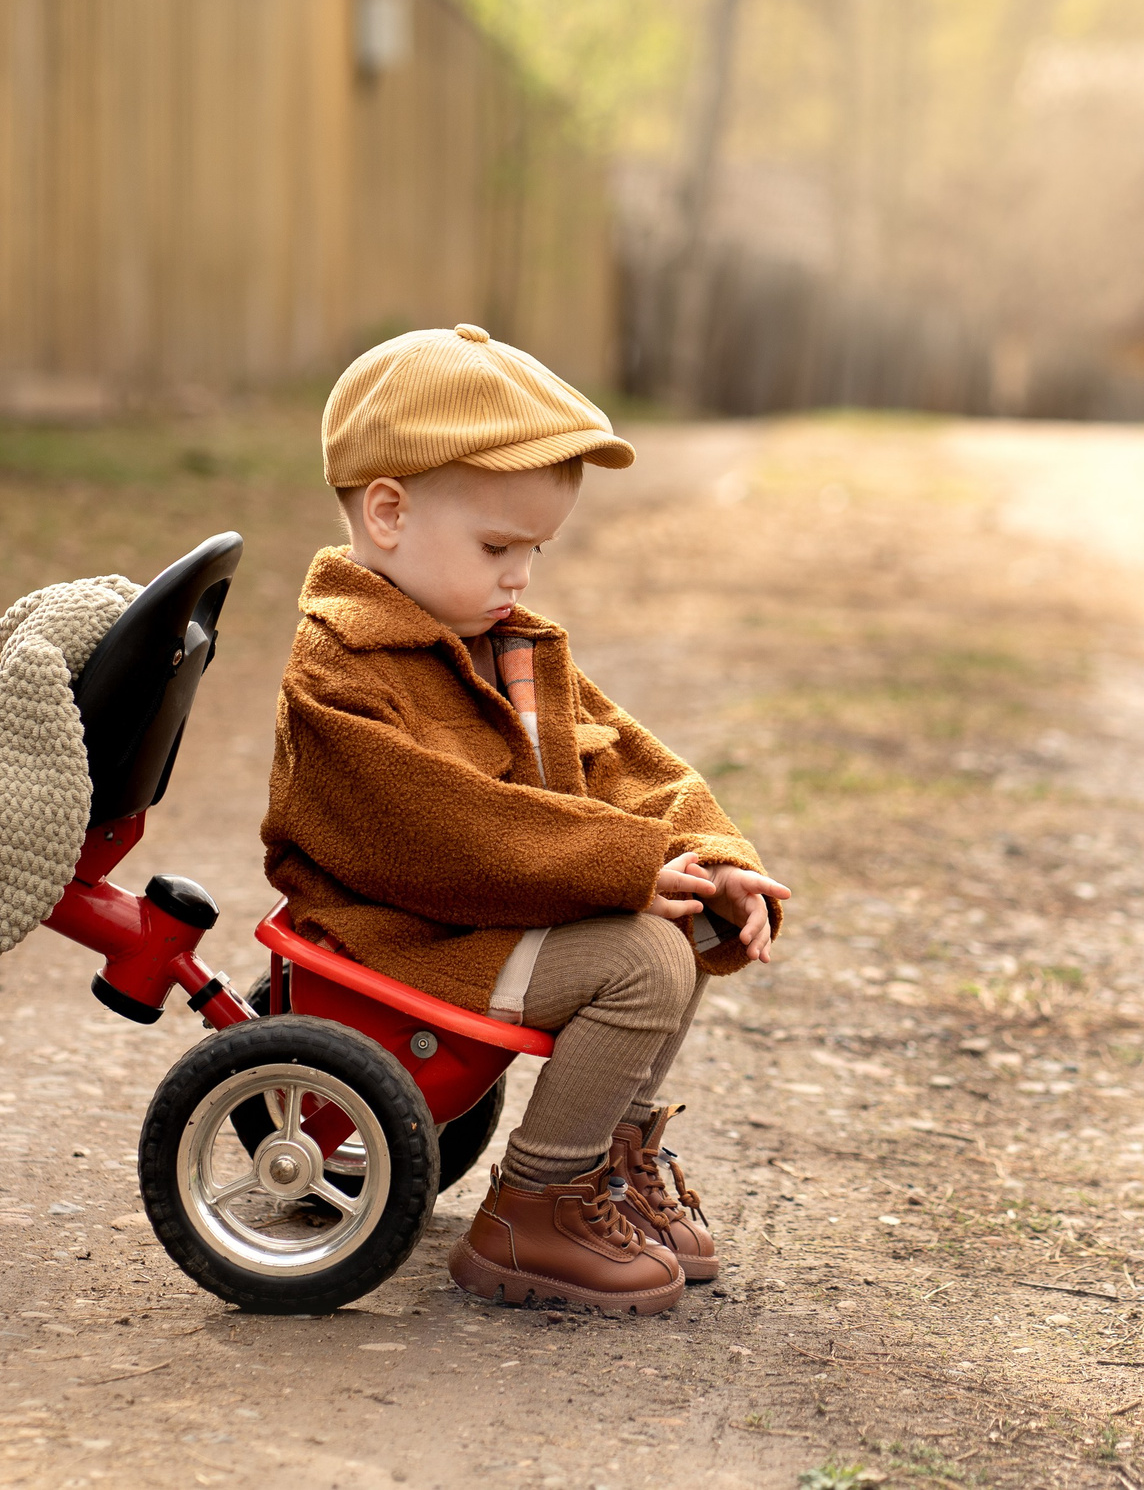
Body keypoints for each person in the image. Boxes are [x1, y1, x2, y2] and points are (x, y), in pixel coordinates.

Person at [260, 323, 789, 1316]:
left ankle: (612, 1167)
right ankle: (535, 1206)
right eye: (498, 547)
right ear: (387, 513)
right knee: (641, 958)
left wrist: (706, 853)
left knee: (692, 920)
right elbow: (439, 831)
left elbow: (619, 757)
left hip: (486, 913)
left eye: (534, 551)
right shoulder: (340, 668)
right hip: (401, 936)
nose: (520, 577)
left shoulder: (503, 642)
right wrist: (626, 867)